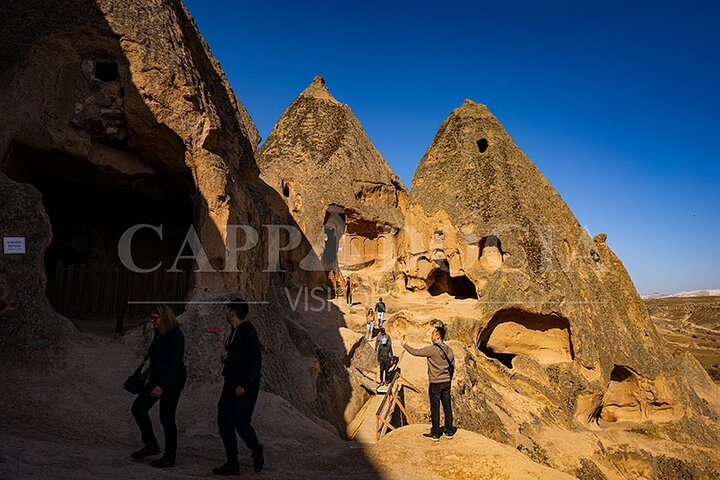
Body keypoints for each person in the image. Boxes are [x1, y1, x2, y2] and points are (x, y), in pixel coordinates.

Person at [130, 305, 187, 468]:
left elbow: (175, 364)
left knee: (166, 417)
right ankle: (151, 444)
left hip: (172, 381)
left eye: (155, 318)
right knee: (139, 408)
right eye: (151, 318)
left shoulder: (176, 335)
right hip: (157, 378)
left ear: (165, 318)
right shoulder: (159, 333)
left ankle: (170, 456)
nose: (152, 321)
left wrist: (162, 385)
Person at [213, 299, 264, 476]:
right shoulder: (234, 332)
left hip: (245, 385)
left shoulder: (247, 331)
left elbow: (255, 361)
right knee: (224, 420)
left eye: (228, 310)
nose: (226, 313)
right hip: (231, 382)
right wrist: (226, 359)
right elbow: (238, 356)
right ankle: (232, 462)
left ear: (233, 312)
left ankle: (256, 449)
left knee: (240, 421)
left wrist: (243, 384)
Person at [402, 325, 456, 441]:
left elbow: (415, 352)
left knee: (435, 407)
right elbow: (453, 366)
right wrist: (448, 378)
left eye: (433, 333)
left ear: (437, 336)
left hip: (435, 382)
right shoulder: (449, 350)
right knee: (447, 406)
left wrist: (404, 344)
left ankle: (436, 433)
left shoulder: (432, 349)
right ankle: (449, 431)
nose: (431, 335)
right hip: (446, 381)